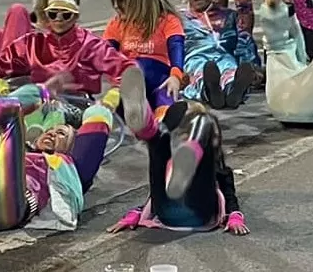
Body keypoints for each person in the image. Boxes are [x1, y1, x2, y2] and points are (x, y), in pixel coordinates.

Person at [0, 28, 117, 233]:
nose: (53, 133)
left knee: (7, 112)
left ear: (70, 149)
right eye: (53, 131)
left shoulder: (69, 168)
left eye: (63, 134)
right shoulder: (23, 149)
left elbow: (98, 120)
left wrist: (107, 103)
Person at [106, 71, 247, 236]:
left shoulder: (190, 158)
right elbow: (156, 188)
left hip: (188, 212)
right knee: (164, 148)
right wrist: (136, 213)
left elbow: (227, 187)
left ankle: (148, 130)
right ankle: (147, 127)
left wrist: (234, 216)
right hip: (178, 212)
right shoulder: (168, 158)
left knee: (161, 145)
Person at [0, 0, 128, 94]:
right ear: (46, 15)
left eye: (66, 14)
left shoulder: (91, 44)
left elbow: (124, 68)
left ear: (75, 16)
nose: (59, 19)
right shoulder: (31, 43)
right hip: (37, 104)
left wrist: (115, 96)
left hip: (78, 109)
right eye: (53, 14)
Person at [177, 0, 260, 109]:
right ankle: (210, 91)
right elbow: (173, 47)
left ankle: (233, 91)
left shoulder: (229, 16)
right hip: (196, 59)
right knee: (201, 73)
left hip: (224, 57)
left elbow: (243, 41)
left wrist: (252, 64)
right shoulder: (181, 20)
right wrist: (175, 71)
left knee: (231, 71)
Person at [102, 0, 187, 111]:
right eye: (115, 1)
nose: (116, 6)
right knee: (130, 73)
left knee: (166, 93)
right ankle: (116, 108)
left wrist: (176, 77)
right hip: (125, 81)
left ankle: (162, 120)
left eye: (121, 1)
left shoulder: (168, 20)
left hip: (159, 76)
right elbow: (105, 53)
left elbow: (176, 47)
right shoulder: (116, 24)